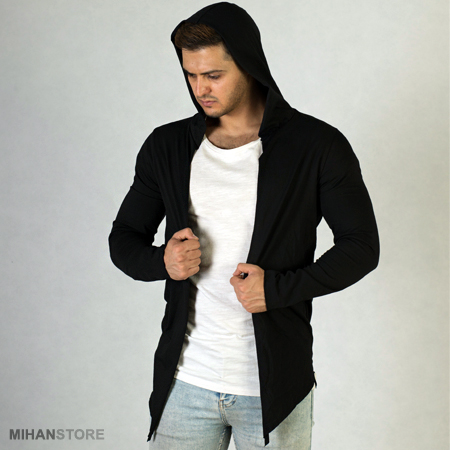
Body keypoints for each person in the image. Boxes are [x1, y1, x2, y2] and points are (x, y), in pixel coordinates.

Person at [108, 2, 379, 449]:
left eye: (213, 75)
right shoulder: (167, 146)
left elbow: (361, 247)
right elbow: (123, 240)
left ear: (249, 65)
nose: (200, 89)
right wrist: (163, 262)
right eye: (190, 75)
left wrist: (277, 289)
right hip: (184, 381)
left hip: (274, 387)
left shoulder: (316, 146)